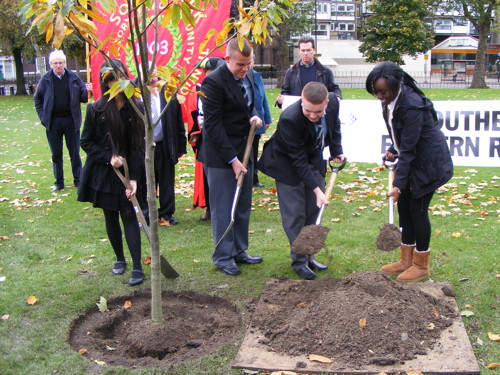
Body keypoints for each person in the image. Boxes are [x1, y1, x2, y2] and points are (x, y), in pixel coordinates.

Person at [365, 61, 453, 282]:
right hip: (414, 159)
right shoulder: (391, 100)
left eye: (383, 92)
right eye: (375, 92)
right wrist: (394, 149)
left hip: (429, 164)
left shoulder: (412, 105)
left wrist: (398, 185)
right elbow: (402, 137)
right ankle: (406, 260)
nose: (379, 96)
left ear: (396, 85)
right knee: (405, 207)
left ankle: (421, 264)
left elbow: (412, 149)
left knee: (418, 210)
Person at [258, 82, 344, 280]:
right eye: (308, 111)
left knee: (313, 212)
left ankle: (309, 255)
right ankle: (299, 261)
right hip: (287, 165)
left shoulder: (333, 104)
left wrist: (336, 150)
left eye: (318, 111)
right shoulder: (290, 118)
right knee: (295, 214)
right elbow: (298, 161)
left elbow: (334, 125)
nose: (313, 116)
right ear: (301, 102)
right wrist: (316, 189)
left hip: (313, 159)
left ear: (326, 102)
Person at [77, 59, 146, 286]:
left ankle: (137, 267)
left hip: (128, 172)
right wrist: (109, 158)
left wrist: (134, 178)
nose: (115, 83)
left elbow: (138, 145)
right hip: (105, 174)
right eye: (110, 80)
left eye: (118, 78)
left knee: (129, 215)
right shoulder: (95, 109)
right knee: (110, 215)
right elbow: (86, 142)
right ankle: (119, 259)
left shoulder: (137, 107)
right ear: (104, 82)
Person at [199, 38, 263, 276]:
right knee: (225, 207)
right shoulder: (212, 83)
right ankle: (223, 256)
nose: (245, 69)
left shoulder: (247, 75)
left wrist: (254, 116)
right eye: (240, 65)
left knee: (243, 204)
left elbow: (247, 106)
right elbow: (212, 126)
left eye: (249, 63)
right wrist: (232, 161)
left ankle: (239, 250)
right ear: (227, 59)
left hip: (244, 150)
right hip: (221, 157)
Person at [34, 49, 92, 192]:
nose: (58, 66)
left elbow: (83, 98)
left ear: (65, 63)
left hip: (71, 121)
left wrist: (88, 90)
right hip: (53, 122)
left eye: (61, 63)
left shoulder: (73, 78)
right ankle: (59, 182)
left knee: (74, 153)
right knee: (56, 154)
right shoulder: (46, 79)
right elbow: (37, 99)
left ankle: (78, 180)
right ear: (50, 64)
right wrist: (43, 117)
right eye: (55, 63)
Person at [183, 56, 224, 221]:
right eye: (206, 71)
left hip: (223, 138)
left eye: (210, 71)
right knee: (206, 176)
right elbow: (192, 112)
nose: (208, 74)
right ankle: (208, 207)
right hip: (205, 140)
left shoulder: (225, 87)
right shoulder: (198, 90)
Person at [150, 70, 187, 226]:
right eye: (148, 74)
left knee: (166, 181)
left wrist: (180, 145)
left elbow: (177, 119)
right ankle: (147, 214)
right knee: (147, 182)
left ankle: (166, 213)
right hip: (144, 147)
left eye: (154, 74)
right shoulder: (135, 92)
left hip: (165, 144)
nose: (152, 78)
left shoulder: (168, 91)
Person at [276, 36, 342, 108]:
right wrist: (281, 100)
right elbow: (285, 92)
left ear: (314, 50)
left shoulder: (325, 71)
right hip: (298, 113)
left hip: (319, 112)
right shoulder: (291, 72)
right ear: (299, 50)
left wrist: (337, 97)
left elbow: (334, 89)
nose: (305, 53)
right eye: (303, 50)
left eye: (308, 50)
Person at [250, 63, 272, 188]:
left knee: (254, 151)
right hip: (246, 120)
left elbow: (263, 98)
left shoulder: (256, 76)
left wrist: (267, 118)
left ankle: (254, 176)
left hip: (258, 120)